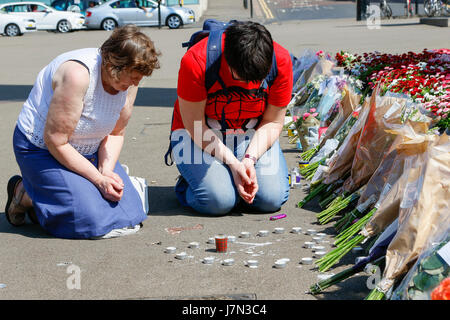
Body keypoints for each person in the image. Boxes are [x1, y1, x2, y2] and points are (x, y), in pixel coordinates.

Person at [5, 25, 161, 239]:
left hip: (90, 148)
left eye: (139, 79)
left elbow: (116, 133)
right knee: (88, 219)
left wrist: (106, 171)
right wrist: (98, 180)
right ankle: (25, 193)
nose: (135, 83)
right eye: (132, 77)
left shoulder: (130, 82)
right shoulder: (78, 75)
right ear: (113, 64)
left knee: (132, 214)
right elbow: (56, 141)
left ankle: (54, 191)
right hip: (43, 150)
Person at [169, 21, 293, 216]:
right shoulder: (197, 61)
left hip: (250, 134)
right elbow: (195, 126)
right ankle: (191, 184)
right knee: (218, 202)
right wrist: (234, 164)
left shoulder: (281, 60)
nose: (249, 84)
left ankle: (226, 180)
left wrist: (249, 160)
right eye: (241, 77)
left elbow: (273, 121)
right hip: (197, 134)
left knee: (270, 200)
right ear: (227, 59)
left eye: (256, 79)